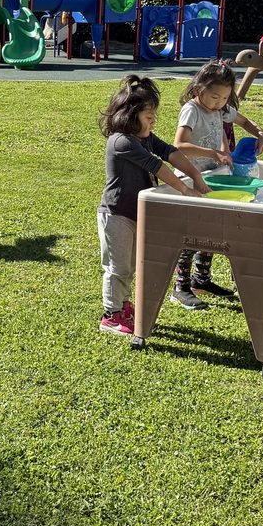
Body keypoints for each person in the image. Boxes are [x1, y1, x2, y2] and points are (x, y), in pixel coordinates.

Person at [97, 75, 209, 336]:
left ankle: (123, 306)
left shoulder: (145, 137)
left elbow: (170, 152)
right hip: (116, 215)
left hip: (136, 213)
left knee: (129, 266)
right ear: (129, 116)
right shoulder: (121, 141)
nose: (153, 120)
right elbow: (156, 165)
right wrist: (184, 189)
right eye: (149, 116)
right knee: (118, 268)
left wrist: (196, 175)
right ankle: (111, 315)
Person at [170, 60, 263, 310]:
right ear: (199, 89)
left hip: (212, 177)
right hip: (190, 179)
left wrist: (261, 134)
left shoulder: (220, 109)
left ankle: (201, 280)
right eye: (215, 97)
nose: (219, 103)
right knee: (191, 233)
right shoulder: (192, 110)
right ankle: (180, 287)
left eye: (225, 98)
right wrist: (215, 153)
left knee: (211, 230)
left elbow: (244, 121)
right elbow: (179, 145)